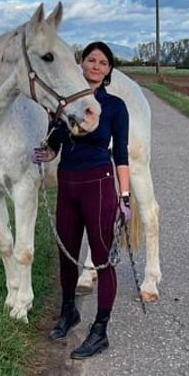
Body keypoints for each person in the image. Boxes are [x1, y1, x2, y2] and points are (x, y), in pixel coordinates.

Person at [31, 41, 132, 360]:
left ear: (109, 70)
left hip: (98, 184)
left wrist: (125, 197)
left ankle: (100, 330)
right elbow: (55, 146)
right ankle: (68, 313)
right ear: (82, 64)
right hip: (67, 182)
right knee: (67, 254)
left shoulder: (115, 107)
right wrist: (45, 153)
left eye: (103, 62)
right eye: (91, 60)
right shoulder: (63, 105)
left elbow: (121, 154)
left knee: (102, 258)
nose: (96, 66)